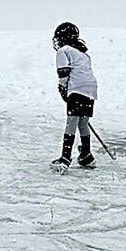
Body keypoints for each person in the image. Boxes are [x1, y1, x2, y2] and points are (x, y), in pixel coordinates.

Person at [52, 22, 98, 170]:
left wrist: (63, 87)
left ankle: (65, 158)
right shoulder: (83, 54)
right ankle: (86, 155)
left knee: (71, 122)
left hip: (77, 89)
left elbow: (63, 72)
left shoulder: (63, 51)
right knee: (83, 122)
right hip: (90, 90)